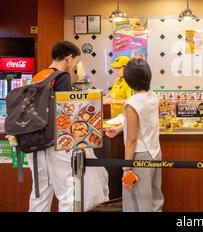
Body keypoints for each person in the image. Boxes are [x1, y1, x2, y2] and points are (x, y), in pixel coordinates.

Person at [28, 41, 109, 212]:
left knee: (40, 193)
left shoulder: (38, 76)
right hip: (56, 143)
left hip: (34, 142)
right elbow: (68, 111)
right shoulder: (62, 77)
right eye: (74, 60)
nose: (73, 65)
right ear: (69, 58)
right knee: (67, 191)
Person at [105, 59, 164, 212]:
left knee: (138, 201)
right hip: (155, 152)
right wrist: (119, 129)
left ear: (129, 79)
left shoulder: (132, 103)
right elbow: (144, 124)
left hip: (139, 155)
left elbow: (132, 139)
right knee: (154, 198)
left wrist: (126, 168)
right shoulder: (153, 97)